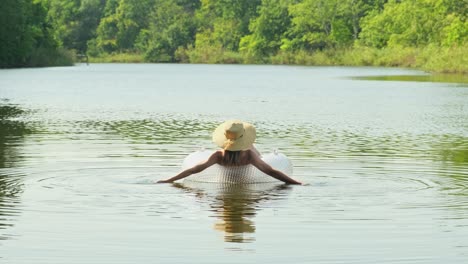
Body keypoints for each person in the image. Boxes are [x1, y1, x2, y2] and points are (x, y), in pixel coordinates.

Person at [157, 120, 302, 184]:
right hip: (249, 163)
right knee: (252, 147)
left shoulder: (218, 156)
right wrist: (296, 183)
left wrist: (169, 180)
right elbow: (270, 171)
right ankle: (254, 148)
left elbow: (194, 170)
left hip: (236, 163)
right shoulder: (249, 155)